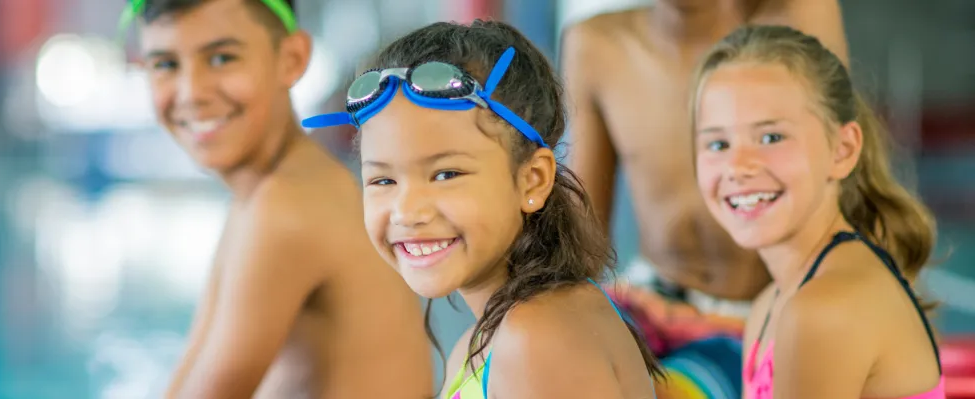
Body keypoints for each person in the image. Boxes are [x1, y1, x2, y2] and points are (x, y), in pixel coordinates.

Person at [303, 19, 662, 398]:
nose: (407, 211)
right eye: (383, 181)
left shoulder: (536, 339)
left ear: (532, 180)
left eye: (446, 174)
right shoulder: (488, 338)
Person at [133, 0, 432, 397]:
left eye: (222, 58)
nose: (192, 93)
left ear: (291, 59)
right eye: (166, 64)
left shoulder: (287, 206)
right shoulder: (265, 192)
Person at [560, 1, 849, 396]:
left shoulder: (794, 17)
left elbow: (843, 191)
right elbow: (584, 240)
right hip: (649, 303)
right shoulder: (595, 44)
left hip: (756, 318)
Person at [692, 24, 944, 398]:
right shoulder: (770, 305)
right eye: (718, 143)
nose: (738, 165)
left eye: (770, 137)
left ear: (842, 149)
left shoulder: (823, 310)